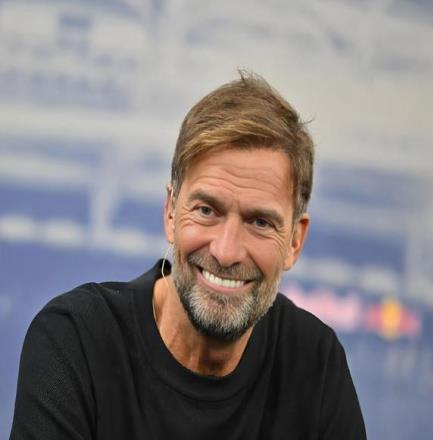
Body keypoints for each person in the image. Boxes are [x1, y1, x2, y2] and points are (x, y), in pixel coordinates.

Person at [10, 72, 366, 439]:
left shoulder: (316, 364)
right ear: (170, 212)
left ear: (294, 241)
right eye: (207, 211)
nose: (226, 252)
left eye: (260, 222)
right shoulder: (76, 340)